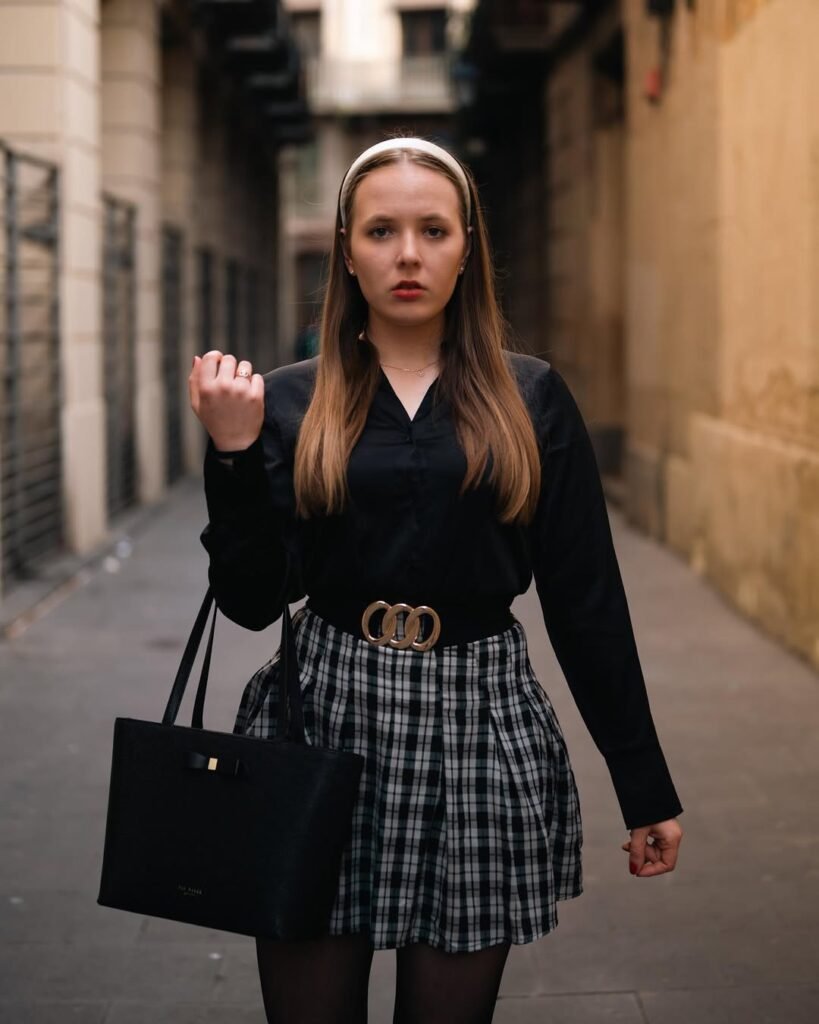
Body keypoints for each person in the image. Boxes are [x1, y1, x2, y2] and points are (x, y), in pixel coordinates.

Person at [188, 135, 684, 1024]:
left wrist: (642, 785)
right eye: (381, 231)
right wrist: (232, 454)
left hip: (479, 721)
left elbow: (585, 601)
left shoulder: (530, 398)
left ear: (467, 248)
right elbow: (253, 602)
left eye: (432, 230)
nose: (407, 254)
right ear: (347, 248)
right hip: (324, 712)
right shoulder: (290, 401)